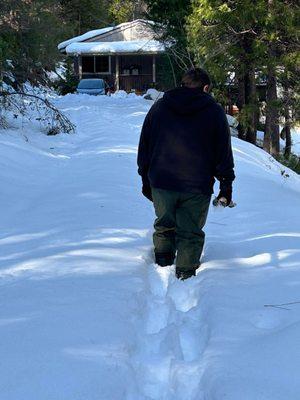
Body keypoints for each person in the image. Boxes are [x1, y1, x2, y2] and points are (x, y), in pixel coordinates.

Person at [137, 68, 235, 280]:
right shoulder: (214, 112)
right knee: (190, 231)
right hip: (197, 185)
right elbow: (223, 152)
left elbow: (144, 145)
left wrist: (145, 177)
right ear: (206, 87)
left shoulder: (160, 107)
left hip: (161, 180)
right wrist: (226, 184)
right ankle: (185, 274)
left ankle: (162, 264)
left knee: (164, 225)